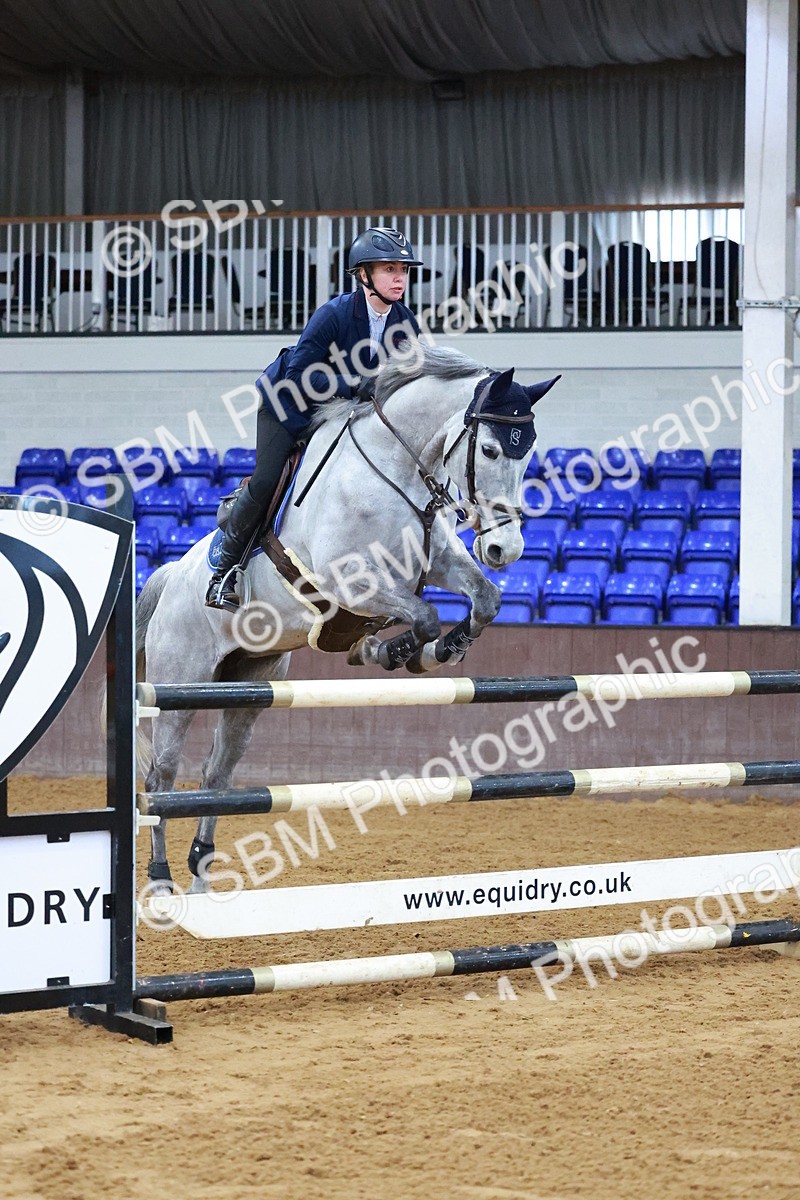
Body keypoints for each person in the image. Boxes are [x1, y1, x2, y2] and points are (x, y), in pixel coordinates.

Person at [206, 228, 423, 610]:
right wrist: (359, 383)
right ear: (363, 275)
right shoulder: (333, 314)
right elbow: (301, 376)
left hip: (341, 415)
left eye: (403, 270)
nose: (400, 278)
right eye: (390, 269)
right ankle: (225, 571)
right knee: (268, 478)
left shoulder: (405, 322)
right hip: (288, 406)